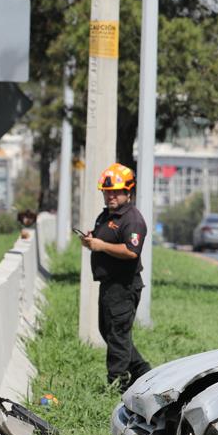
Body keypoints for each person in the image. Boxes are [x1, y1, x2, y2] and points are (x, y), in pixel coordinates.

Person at [81, 163, 153, 390]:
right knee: (109, 332)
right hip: (109, 284)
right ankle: (143, 372)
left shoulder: (132, 219)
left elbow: (131, 251)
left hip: (124, 285)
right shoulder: (107, 215)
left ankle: (116, 384)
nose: (110, 196)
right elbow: (105, 238)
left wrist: (100, 245)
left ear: (128, 192)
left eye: (116, 192)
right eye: (107, 191)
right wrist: (92, 239)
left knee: (118, 335)